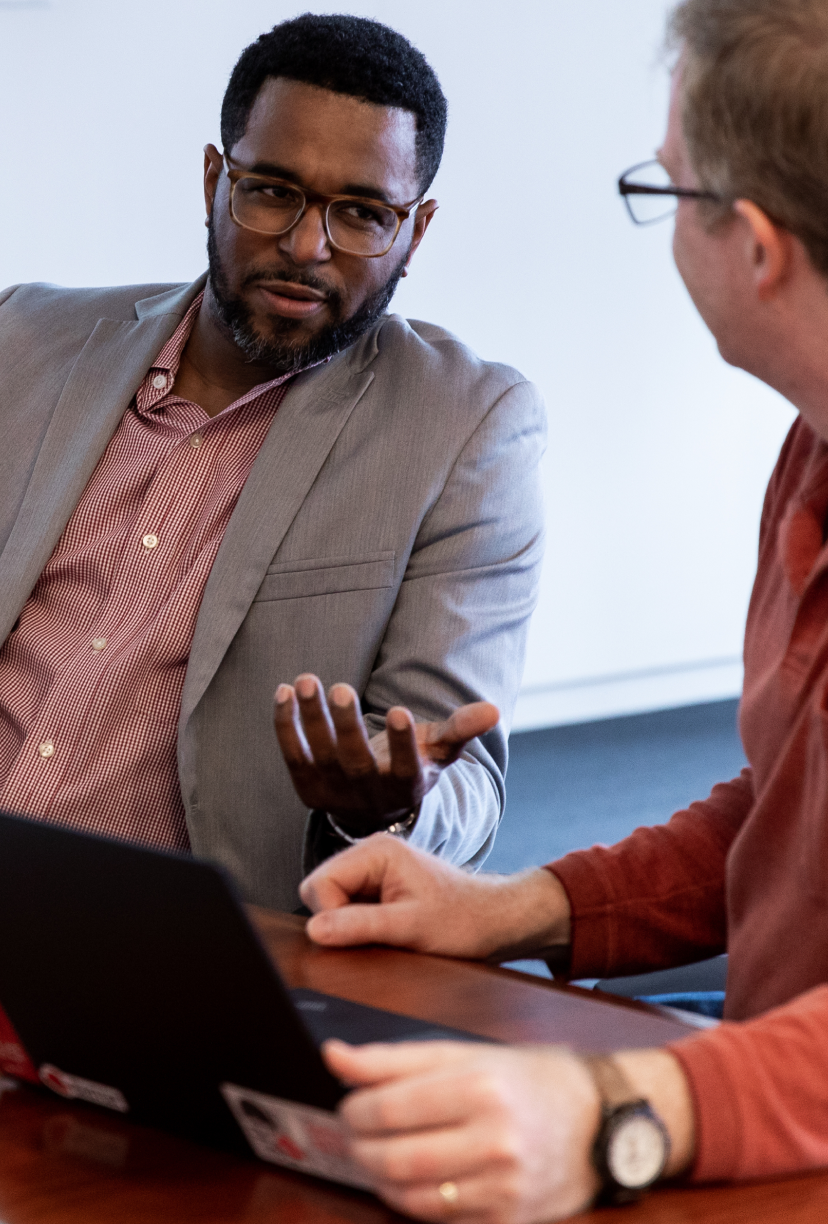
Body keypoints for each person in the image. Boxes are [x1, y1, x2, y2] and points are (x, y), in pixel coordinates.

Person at [296, 0, 828, 1218]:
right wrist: (510, 910)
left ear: (757, 248)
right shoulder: (818, 455)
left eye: (667, 192)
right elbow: (799, 813)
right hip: (763, 1103)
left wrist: (616, 1113)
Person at [0, 15, 544, 910]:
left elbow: (464, 782)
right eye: (272, 192)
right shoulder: (29, 339)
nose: (306, 246)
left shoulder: (466, 428)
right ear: (215, 180)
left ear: (416, 231)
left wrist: (388, 811)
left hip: (171, 960)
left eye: (363, 213)